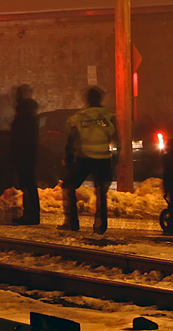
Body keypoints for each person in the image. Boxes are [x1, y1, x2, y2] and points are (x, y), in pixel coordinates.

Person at [62, 86, 118, 234]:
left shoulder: (79, 117)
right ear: (100, 99)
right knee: (101, 193)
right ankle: (100, 225)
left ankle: (72, 222)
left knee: (69, 186)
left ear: (87, 99)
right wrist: (116, 159)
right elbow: (117, 139)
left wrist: (68, 158)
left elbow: (71, 140)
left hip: (84, 159)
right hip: (104, 159)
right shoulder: (109, 116)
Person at [9, 85, 41, 225]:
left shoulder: (24, 114)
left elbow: (21, 135)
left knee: (27, 183)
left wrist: (18, 151)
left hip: (24, 152)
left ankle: (30, 213)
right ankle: (30, 212)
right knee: (28, 183)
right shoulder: (30, 113)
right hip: (27, 152)